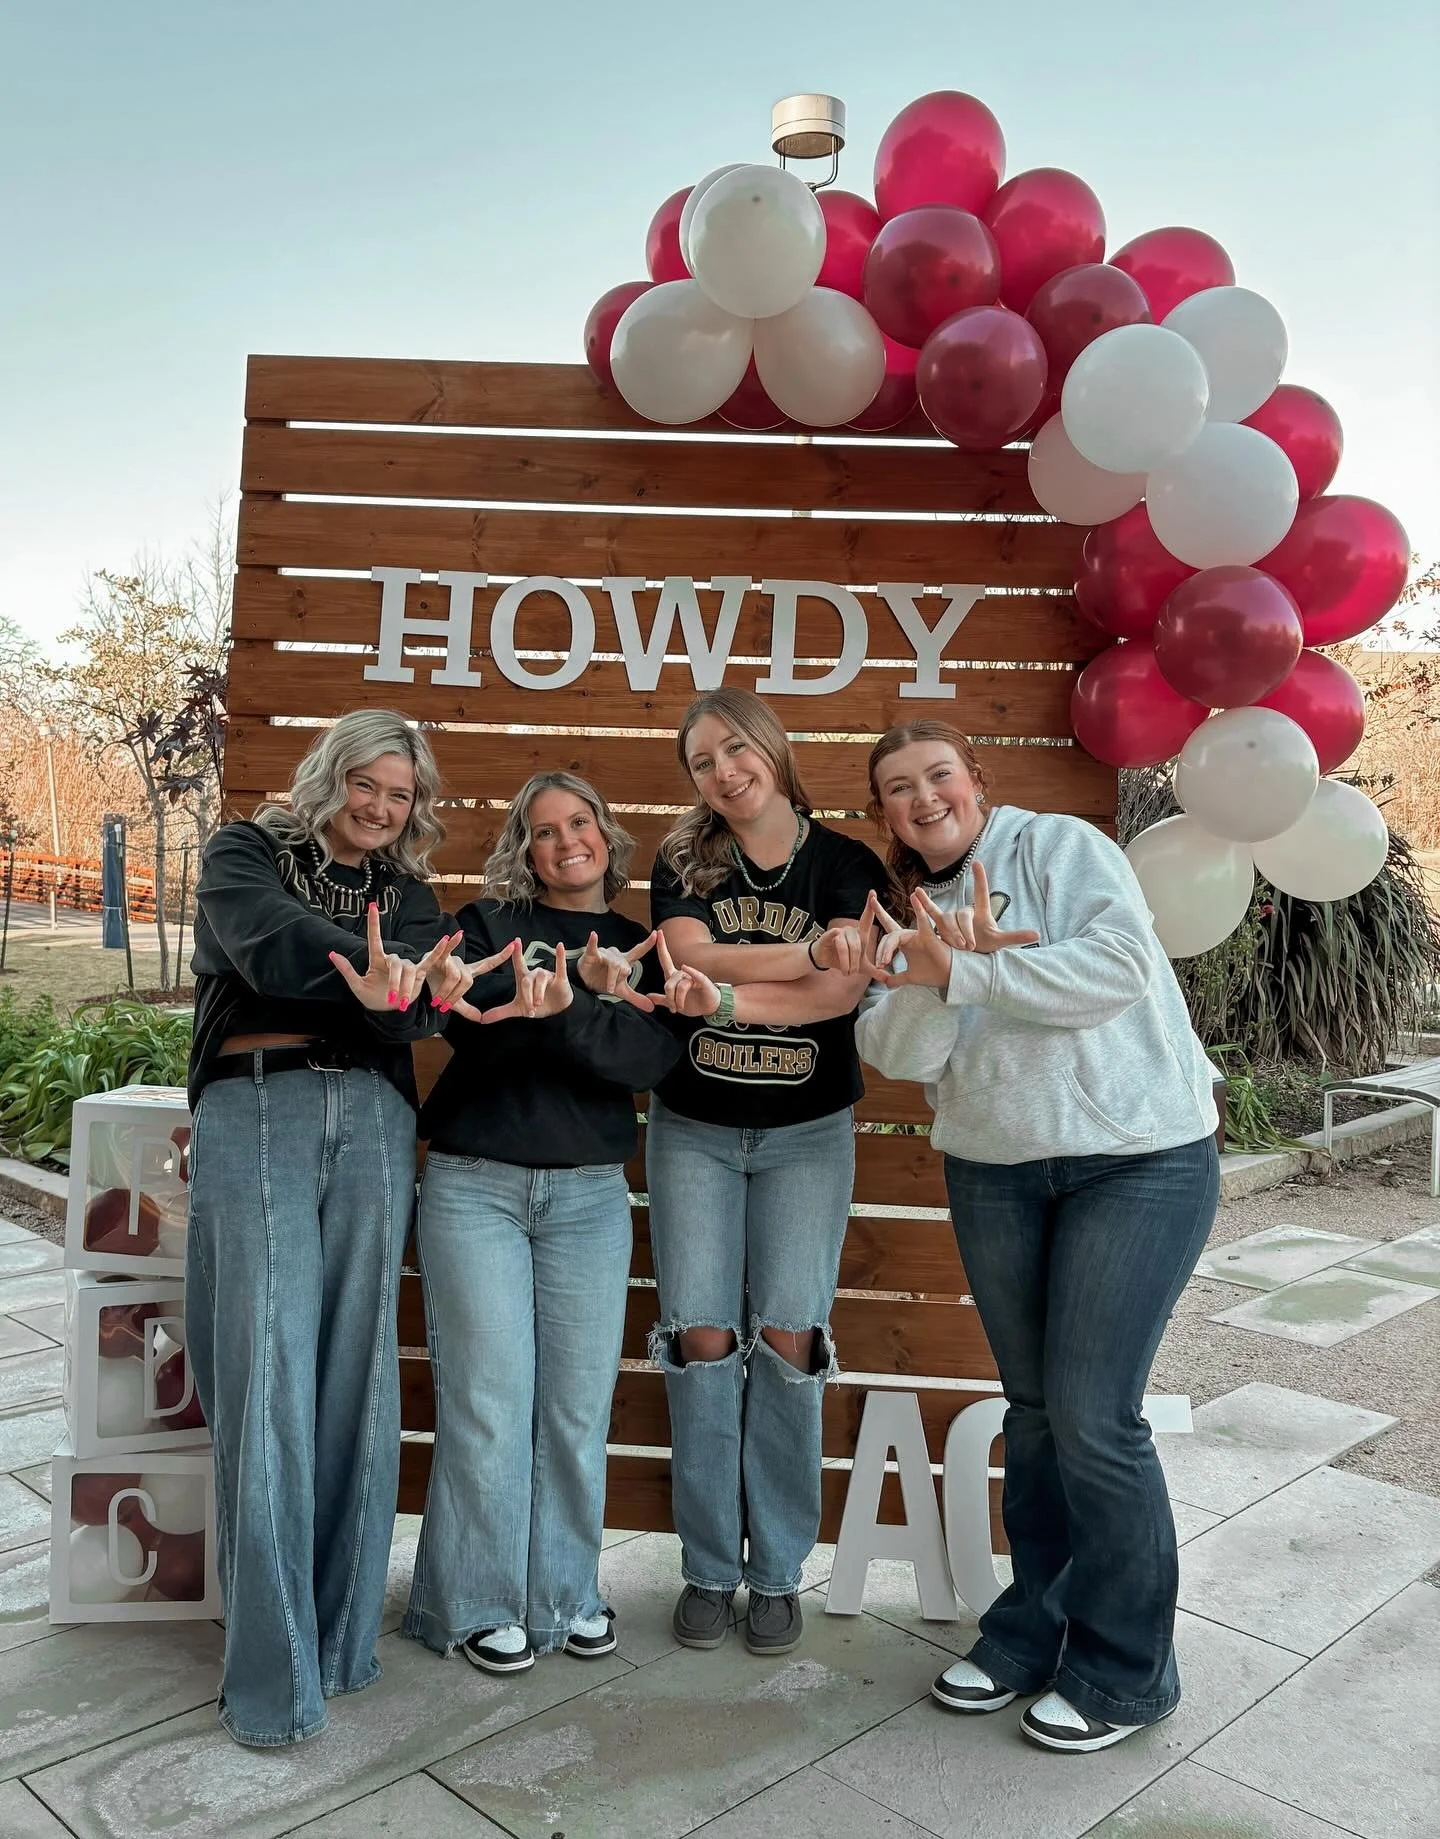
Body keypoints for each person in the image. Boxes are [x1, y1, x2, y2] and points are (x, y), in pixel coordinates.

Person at [853, 719, 1220, 1754]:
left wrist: (969, 975)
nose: (923, 799)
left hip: (1138, 1157)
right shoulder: (904, 915)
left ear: (976, 780)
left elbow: (1116, 969)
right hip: (997, 1173)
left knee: (1097, 1419)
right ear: (883, 812)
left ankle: (1125, 1671)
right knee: (1037, 1417)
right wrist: (928, 973)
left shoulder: (1061, 848)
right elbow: (890, 1045)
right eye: (897, 788)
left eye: (938, 776)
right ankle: (1032, 1630)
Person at [185, 709, 487, 1748]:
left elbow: (411, 1014)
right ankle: (271, 1680)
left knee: (353, 1381)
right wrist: (371, 971)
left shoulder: (408, 892)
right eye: (366, 781)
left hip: (370, 1118)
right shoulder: (246, 848)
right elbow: (265, 945)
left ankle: (342, 1642)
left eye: (400, 794)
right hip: (254, 1103)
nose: (379, 805)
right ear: (330, 773)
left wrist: (412, 990)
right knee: (264, 1375)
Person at [402, 771, 686, 1674]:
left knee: (572, 1407)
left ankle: (566, 1593)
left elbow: (648, 1061)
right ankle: (477, 1602)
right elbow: (470, 1027)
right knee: (488, 1400)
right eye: (543, 830)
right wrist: (545, 1013)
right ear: (522, 849)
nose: (566, 842)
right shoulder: (487, 926)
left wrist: (576, 1011)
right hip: (475, 1186)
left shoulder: (640, 944)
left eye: (580, 822)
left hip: (589, 1199)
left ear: (607, 830)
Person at [646, 687, 888, 1657]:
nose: (724, 772)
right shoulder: (683, 859)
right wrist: (792, 958)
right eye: (703, 762)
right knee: (702, 1340)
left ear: (771, 749)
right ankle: (708, 1569)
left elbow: (840, 991)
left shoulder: (846, 862)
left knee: (788, 1340)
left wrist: (729, 998)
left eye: (735, 749)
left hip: (806, 1133)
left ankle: (778, 1570)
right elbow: (685, 952)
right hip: (693, 1128)